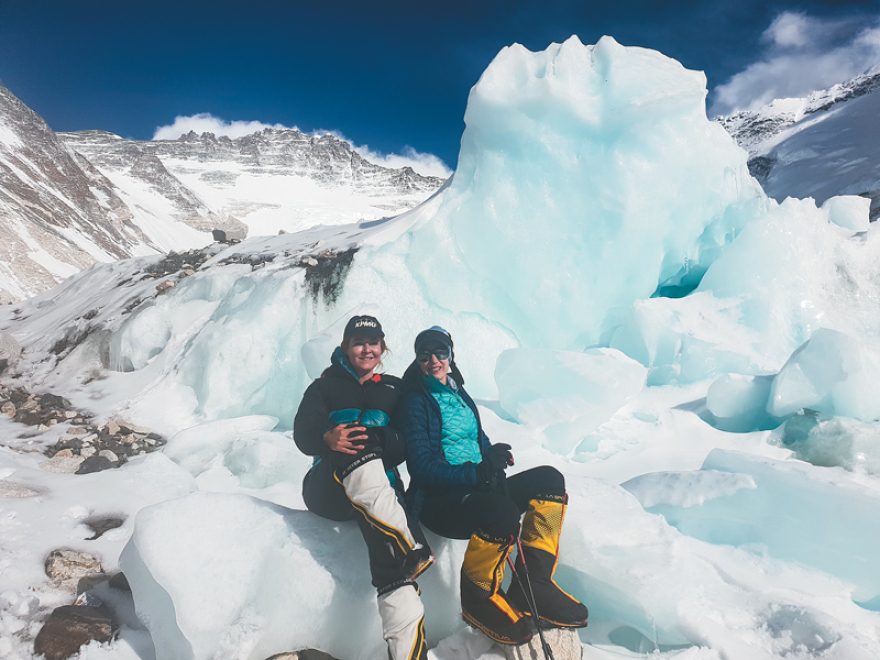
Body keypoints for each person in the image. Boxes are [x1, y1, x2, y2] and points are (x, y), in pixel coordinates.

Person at [396, 326, 588, 646]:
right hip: (441, 503)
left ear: (450, 355)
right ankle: (478, 599)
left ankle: (534, 585)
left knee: (549, 481)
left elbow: (474, 438)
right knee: (502, 513)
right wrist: (474, 474)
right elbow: (422, 468)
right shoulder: (416, 400)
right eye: (424, 355)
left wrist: (490, 455)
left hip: (477, 487)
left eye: (440, 352)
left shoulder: (457, 390)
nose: (433, 360)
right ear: (417, 360)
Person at [294, 315, 432, 660]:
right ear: (345, 347)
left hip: (380, 492)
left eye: (373, 343)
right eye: (358, 342)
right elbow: (302, 434)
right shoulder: (323, 387)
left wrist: (381, 437)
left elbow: (407, 442)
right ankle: (408, 542)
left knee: (392, 568)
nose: (366, 349)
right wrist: (327, 438)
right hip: (328, 489)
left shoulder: (394, 388)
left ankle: (407, 654)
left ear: (382, 347)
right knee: (351, 441)